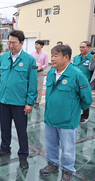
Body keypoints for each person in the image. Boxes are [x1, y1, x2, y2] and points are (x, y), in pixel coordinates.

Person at [39, 45, 92, 181]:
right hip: (51, 118)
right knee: (51, 144)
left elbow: (87, 100)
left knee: (68, 149)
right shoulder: (51, 73)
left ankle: (67, 170)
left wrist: (72, 112)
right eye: (52, 55)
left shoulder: (77, 75)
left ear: (66, 57)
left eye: (56, 55)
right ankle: (52, 164)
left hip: (67, 121)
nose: (52, 58)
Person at [0, 30, 37, 169]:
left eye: (14, 43)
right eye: (9, 42)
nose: (11, 45)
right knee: (4, 128)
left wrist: (30, 102)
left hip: (19, 103)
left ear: (21, 43)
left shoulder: (29, 60)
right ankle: (5, 148)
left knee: (21, 130)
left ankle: (23, 155)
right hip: (4, 101)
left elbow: (33, 83)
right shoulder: (4, 57)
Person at [72, 41, 93, 123]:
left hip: (86, 83)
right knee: (74, 98)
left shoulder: (92, 58)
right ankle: (75, 113)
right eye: (80, 47)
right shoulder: (76, 57)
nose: (81, 49)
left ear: (89, 47)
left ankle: (85, 116)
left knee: (85, 99)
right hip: (75, 82)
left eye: (83, 47)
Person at [31, 40, 49, 108]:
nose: (36, 45)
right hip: (32, 71)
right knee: (32, 86)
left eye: (37, 44)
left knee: (39, 87)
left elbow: (46, 64)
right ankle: (31, 100)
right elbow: (30, 62)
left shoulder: (45, 54)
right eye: (35, 44)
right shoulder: (32, 53)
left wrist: (40, 68)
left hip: (40, 72)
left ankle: (37, 101)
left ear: (41, 46)